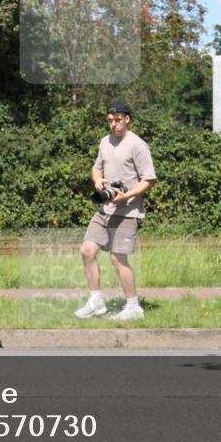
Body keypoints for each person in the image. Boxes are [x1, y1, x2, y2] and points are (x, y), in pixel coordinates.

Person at [75, 100, 157, 321]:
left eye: (118, 119)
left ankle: (133, 307)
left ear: (127, 119)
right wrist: (97, 180)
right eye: (110, 120)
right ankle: (96, 301)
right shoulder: (105, 142)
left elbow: (149, 179)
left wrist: (127, 195)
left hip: (128, 211)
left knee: (117, 258)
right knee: (87, 251)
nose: (113, 124)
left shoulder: (137, 145)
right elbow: (96, 168)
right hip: (104, 208)